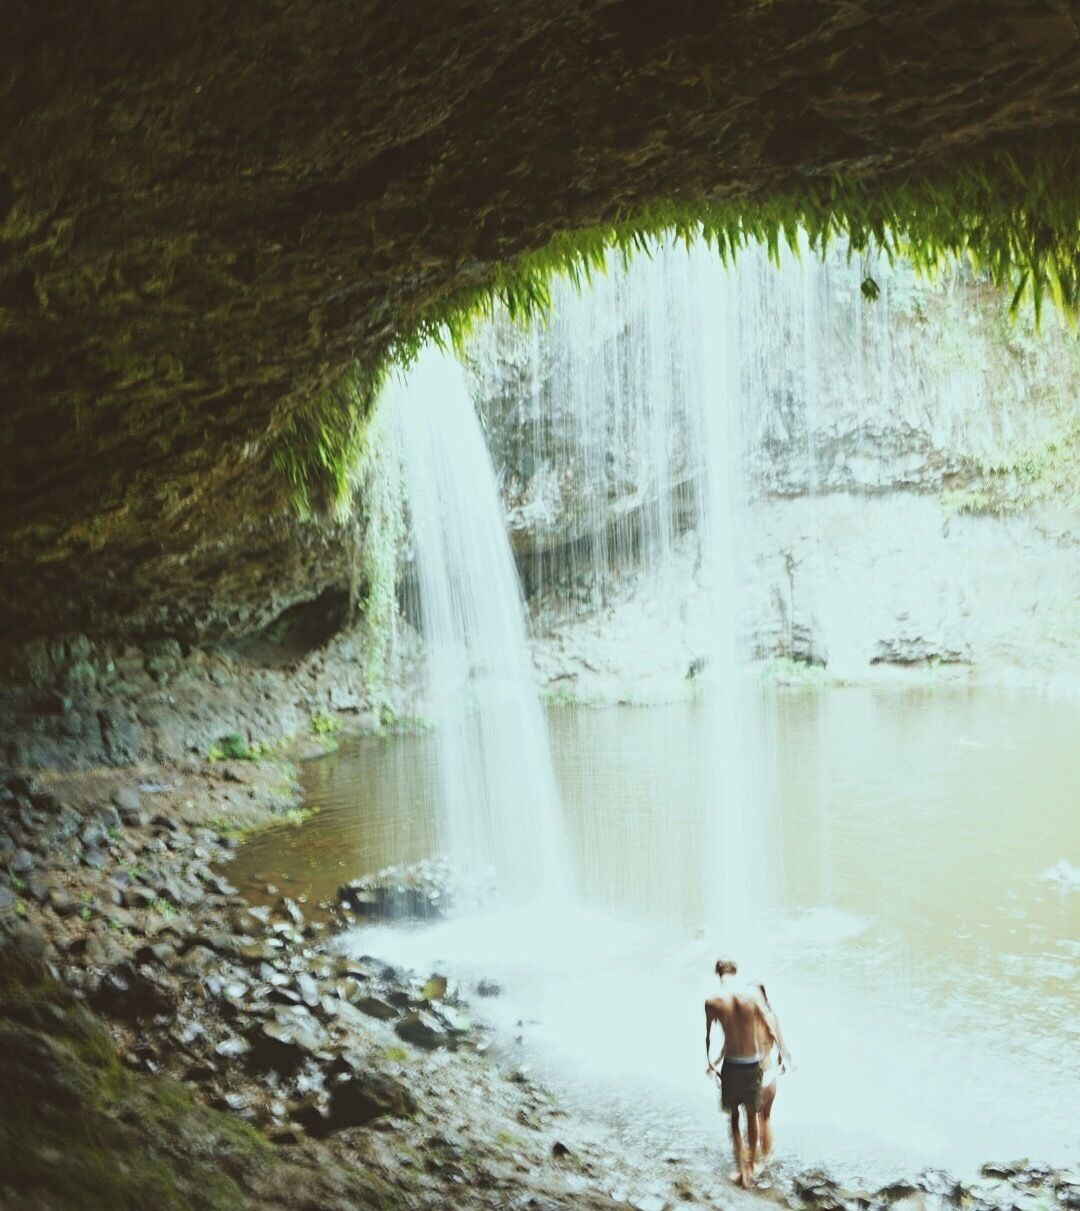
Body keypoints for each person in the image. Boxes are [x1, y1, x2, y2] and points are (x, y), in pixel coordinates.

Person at [704, 957, 791, 1188]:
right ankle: (762, 1160)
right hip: (765, 1070)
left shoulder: (729, 1008)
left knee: (739, 1118)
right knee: (763, 1118)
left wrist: (712, 1062)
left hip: (743, 1066)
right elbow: (778, 1040)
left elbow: (720, 1042)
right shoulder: (766, 1013)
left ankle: (747, 1167)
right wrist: (784, 1057)